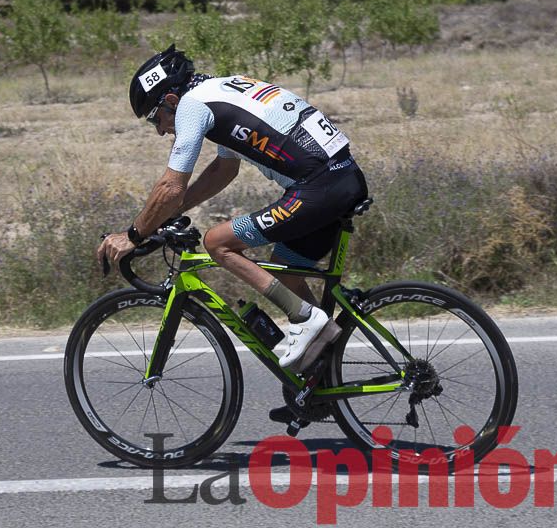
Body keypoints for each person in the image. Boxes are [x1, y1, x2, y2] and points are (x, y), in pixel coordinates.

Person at [95, 45, 369, 372]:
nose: (158, 130)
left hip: (319, 187)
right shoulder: (220, 90)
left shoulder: (192, 106)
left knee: (216, 242)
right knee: (286, 268)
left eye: (156, 118)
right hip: (342, 177)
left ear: (170, 101)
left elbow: (170, 187)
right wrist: (165, 217)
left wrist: (134, 234)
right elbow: (223, 170)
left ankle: (305, 318)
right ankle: (321, 375)